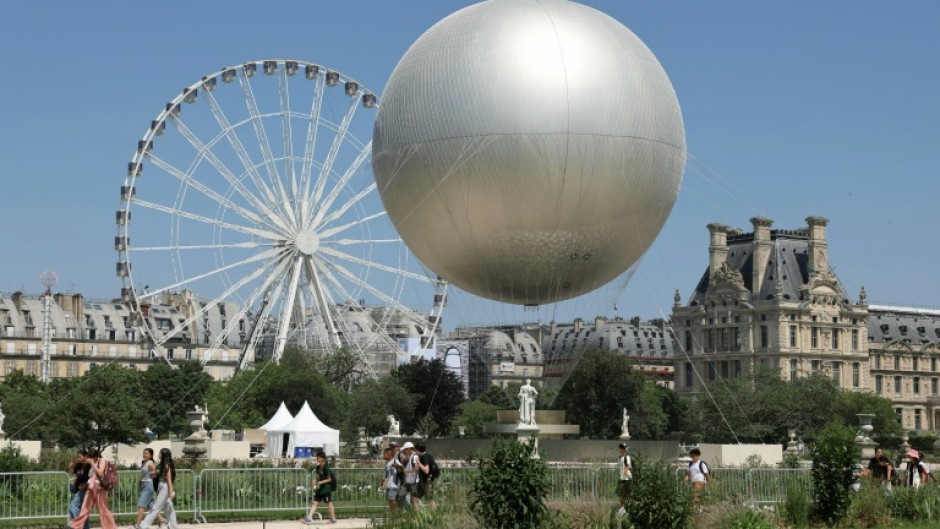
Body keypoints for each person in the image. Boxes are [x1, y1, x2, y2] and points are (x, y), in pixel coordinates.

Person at [68, 448, 116, 529]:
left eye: (89, 457)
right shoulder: (89, 463)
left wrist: (93, 464)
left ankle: (110, 527)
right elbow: (90, 476)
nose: (88, 459)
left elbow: (100, 473)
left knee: (103, 509)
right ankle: (75, 525)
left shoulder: (101, 460)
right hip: (91, 488)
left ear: (94, 457)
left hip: (99, 489)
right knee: (85, 508)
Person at [139, 448, 179, 529]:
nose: (159, 454)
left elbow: (169, 479)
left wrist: (171, 493)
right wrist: (156, 473)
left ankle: (143, 525)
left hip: (165, 487)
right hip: (162, 487)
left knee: (156, 507)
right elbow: (163, 475)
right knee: (168, 507)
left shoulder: (166, 465)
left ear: (163, 455)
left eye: (160, 453)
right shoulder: (163, 464)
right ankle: (173, 526)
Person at [302, 451, 336, 525]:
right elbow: (318, 477)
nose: (316, 459)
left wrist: (320, 482)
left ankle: (333, 519)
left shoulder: (326, 467)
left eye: (318, 457)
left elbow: (329, 479)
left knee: (329, 503)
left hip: (326, 488)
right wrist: (315, 480)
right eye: (316, 457)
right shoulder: (317, 467)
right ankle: (309, 518)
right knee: (314, 502)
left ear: (322, 458)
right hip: (320, 489)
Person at [135, 448, 166, 528]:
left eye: (147, 453)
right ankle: (162, 521)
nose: (144, 454)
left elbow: (155, 474)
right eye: (144, 453)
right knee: (151, 507)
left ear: (151, 455)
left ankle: (138, 524)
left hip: (148, 486)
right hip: (143, 485)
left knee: (141, 505)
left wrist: (154, 474)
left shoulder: (150, 463)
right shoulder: (144, 462)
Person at [67, 449, 91, 529]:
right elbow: (74, 473)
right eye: (77, 457)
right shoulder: (78, 465)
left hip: (85, 491)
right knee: (83, 511)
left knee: (72, 506)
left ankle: (76, 525)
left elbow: (92, 477)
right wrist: (70, 467)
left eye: (79, 457)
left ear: (85, 456)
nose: (78, 459)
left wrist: (86, 484)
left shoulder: (88, 466)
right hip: (79, 490)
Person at [415, 441, 437, 510]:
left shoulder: (424, 457)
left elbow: (426, 470)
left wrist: (419, 463)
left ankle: (432, 515)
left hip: (426, 482)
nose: (415, 452)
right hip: (425, 481)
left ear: (418, 449)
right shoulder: (427, 456)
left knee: (429, 499)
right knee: (416, 498)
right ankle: (422, 514)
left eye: (416, 450)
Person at [401, 442, 422, 509]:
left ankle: (419, 515)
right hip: (409, 482)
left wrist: (407, 471)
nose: (404, 452)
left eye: (405, 450)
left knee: (414, 501)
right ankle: (410, 510)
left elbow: (417, 469)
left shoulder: (415, 456)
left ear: (409, 449)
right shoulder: (411, 457)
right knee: (401, 496)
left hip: (413, 483)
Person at [616, 443, 632, 512]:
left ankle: (627, 509)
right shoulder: (621, 457)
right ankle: (622, 509)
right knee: (621, 495)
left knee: (626, 495)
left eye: (624, 448)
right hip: (622, 479)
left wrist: (625, 472)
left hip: (626, 479)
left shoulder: (627, 457)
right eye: (622, 448)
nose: (623, 449)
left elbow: (629, 466)